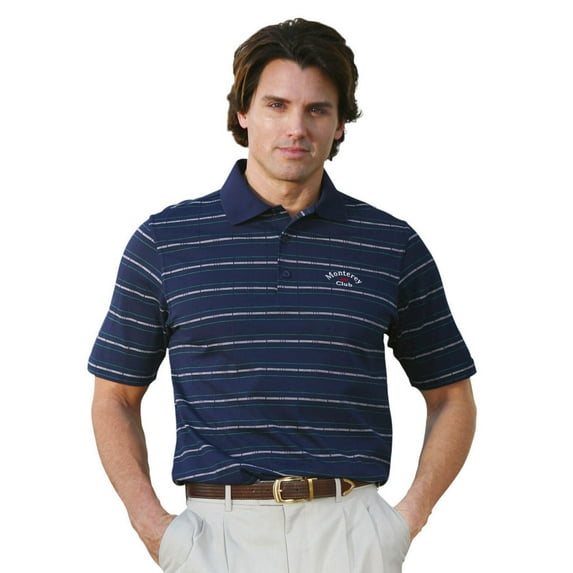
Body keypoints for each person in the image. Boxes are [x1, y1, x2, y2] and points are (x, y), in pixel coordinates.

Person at [89, 18, 477, 573]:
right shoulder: (165, 242)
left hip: (352, 533)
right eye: (276, 105)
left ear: (340, 123)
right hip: (216, 538)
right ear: (243, 112)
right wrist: (153, 527)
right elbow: (115, 399)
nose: (296, 128)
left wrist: (404, 521)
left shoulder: (390, 244)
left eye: (317, 109)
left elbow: (452, 397)